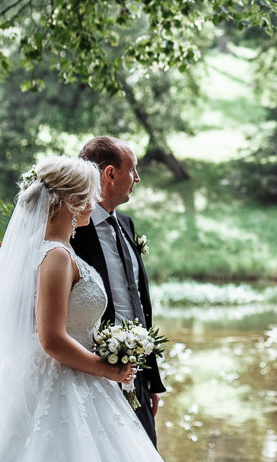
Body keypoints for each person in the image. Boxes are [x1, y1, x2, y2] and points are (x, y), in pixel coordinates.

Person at [0, 156, 164, 462]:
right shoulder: (56, 255)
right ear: (72, 201)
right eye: (91, 194)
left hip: (63, 373)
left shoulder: (46, 246)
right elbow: (51, 339)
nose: (96, 199)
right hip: (61, 380)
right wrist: (107, 369)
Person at [73, 136, 165, 446]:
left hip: (136, 371)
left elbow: (139, 304)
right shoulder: (72, 231)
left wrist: (151, 378)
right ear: (110, 174)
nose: (137, 178)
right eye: (133, 170)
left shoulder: (126, 224)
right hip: (92, 370)